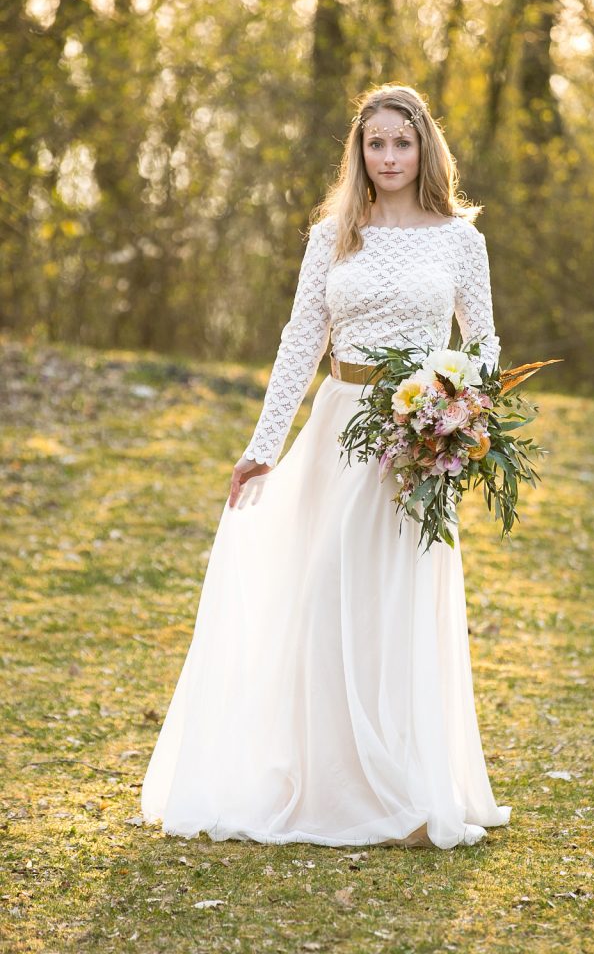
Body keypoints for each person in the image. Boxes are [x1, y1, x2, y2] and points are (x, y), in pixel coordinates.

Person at [140, 83, 511, 849]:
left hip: (413, 442)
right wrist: (262, 447)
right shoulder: (332, 236)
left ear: (425, 149)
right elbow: (298, 343)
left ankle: (406, 785)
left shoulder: (458, 240)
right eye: (376, 143)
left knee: (394, 604)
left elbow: (483, 345)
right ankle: (328, 781)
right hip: (337, 428)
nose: (389, 157)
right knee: (322, 594)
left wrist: (456, 417)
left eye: (402, 142)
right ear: (359, 152)